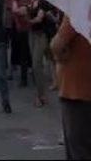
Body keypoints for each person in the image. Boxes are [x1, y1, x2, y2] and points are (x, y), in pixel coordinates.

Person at [50, 15, 91, 160]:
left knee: (77, 148)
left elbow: (57, 45)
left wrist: (58, 56)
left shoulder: (77, 10)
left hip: (75, 90)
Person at [27, 0, 48, 107]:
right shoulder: (31, 2)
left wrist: (28, 21)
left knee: (36, 64)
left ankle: (41, 95)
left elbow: (39, 18)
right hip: (32, 34)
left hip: (41, 35)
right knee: (35, 66)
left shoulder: (42, 3)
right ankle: (40, 92)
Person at [11, 0, 32, 87]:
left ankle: (33, 74)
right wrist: (26, 8)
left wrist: (24, 9)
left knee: (31, 53)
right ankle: (24, 79)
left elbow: (31, 8)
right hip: (20, 29)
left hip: (31, 28)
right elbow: (14, 10)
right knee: (23, 54)